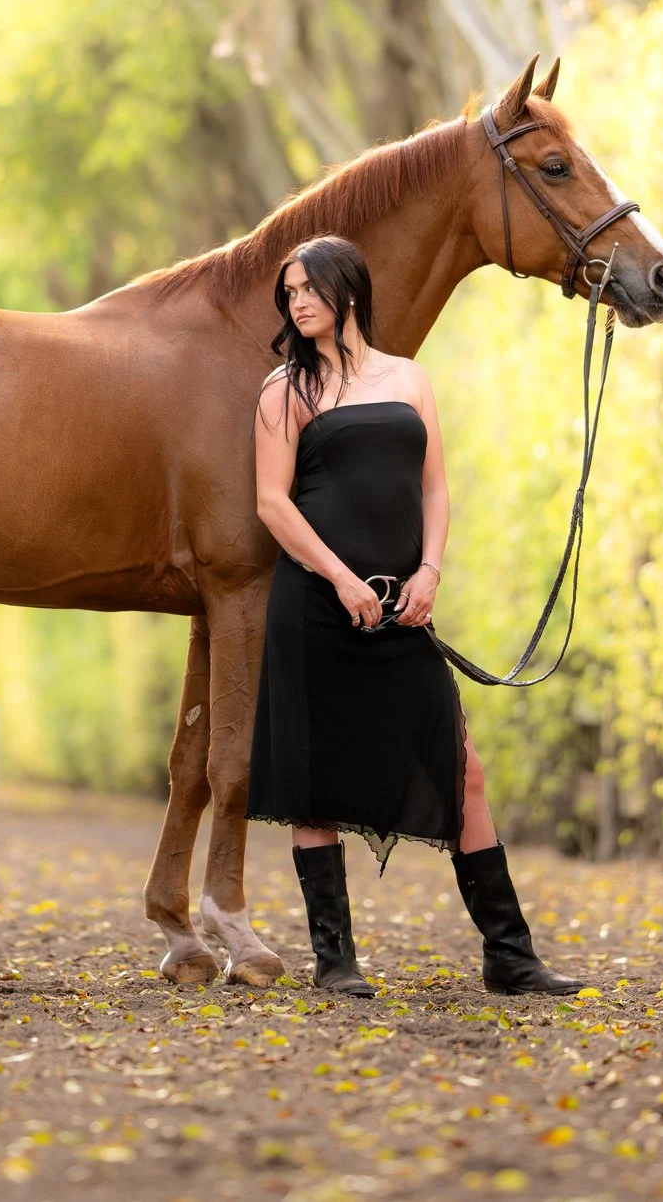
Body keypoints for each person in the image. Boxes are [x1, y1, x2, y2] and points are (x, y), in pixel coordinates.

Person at [244, 234, 583, 999]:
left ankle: (510, 954)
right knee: (312, 778)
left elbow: (434, 488)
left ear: (348, 291)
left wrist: (429, 570)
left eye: (307, 288)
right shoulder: (282, 391)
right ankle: (335, 960)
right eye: (288, 292)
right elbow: (272, 503)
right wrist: (338, 578)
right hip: (317, 610)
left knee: (463, 769)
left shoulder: (409, 378)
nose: (296, 302)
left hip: (404, 610)